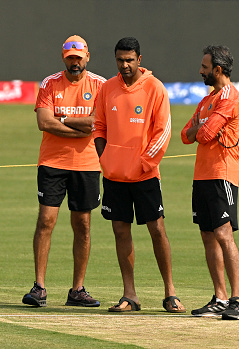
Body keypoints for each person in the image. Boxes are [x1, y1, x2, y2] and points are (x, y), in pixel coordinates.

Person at [92, 37, 185, 313]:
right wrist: (106, 159)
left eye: (130, 60)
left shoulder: (155, 88)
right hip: (115, 176)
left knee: (157, 230)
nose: (125, 65)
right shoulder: (107, 88)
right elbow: (98, 128)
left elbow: (163, 132)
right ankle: (129, 295)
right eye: (120, 60)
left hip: (145, 176)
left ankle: (170, 293)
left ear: (140, 60)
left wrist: (144, 163)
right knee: (120, 230)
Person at [22, 35, 106, 308]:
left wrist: (64, 120)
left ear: (87, 57)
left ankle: (78, 289)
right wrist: (78, 127)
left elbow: (96, 123)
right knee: (46, 220)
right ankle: (39, 287)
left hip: (88, 164)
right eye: (70, 58)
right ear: (63, 58)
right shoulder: (49, 83)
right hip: (53, 163)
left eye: (79, 58)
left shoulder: (100, 85)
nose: (75, 63)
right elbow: (44, 122)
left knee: (82, 224)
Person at [181, 45, 239, 320]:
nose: (201, 71)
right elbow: (186, 135)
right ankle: (219, 297)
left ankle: (236, 300)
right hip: (202, 175)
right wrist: (199, 130)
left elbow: (205, 134)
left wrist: (200, 130)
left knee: (223, 234)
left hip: (222, 174)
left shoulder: (229, 98)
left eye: (205, 67)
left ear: (218, 69)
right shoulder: (207, 101)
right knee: (207, 235)